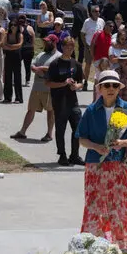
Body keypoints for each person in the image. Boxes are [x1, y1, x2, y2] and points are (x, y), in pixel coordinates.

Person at [76, 69, 127, 248]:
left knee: (119, 204)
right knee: (94, 204)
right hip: (95, 164)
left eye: (114, 85)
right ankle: (93, 244)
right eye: (106, 85)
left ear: (119, 88)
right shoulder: (90, 110)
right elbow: (82, 139)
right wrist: (96, 146)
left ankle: (122, 245)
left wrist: (122, 142)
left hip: (117, 164)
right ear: (100, 88)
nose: (110, 88)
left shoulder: (126, 108)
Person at [12, 33, 58, 143]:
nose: (45, 43)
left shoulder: (58, 56)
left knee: (50, 111)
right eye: (45, 41)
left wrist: (42, 68)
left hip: (49, 89)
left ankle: (49, 134)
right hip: (36, 87)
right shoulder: (41, 54)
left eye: (48, 42)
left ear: (54, 43)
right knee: (30, 110)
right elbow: (33, 63)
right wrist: (34, 67)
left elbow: (55, 69)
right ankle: (22, 132)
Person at [47, 36, 85, 166]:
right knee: (61, 129)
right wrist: (63, 83)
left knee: (78, 128)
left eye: (71, 46)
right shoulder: (55, 64)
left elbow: (81, 82)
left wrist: (76, 86)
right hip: (59, 102)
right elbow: (49, 83)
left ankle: (74, 155)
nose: (69, 48)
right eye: (67, 46)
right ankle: (62, 154)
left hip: (73, 102)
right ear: (62, 47)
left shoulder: (77, 64)